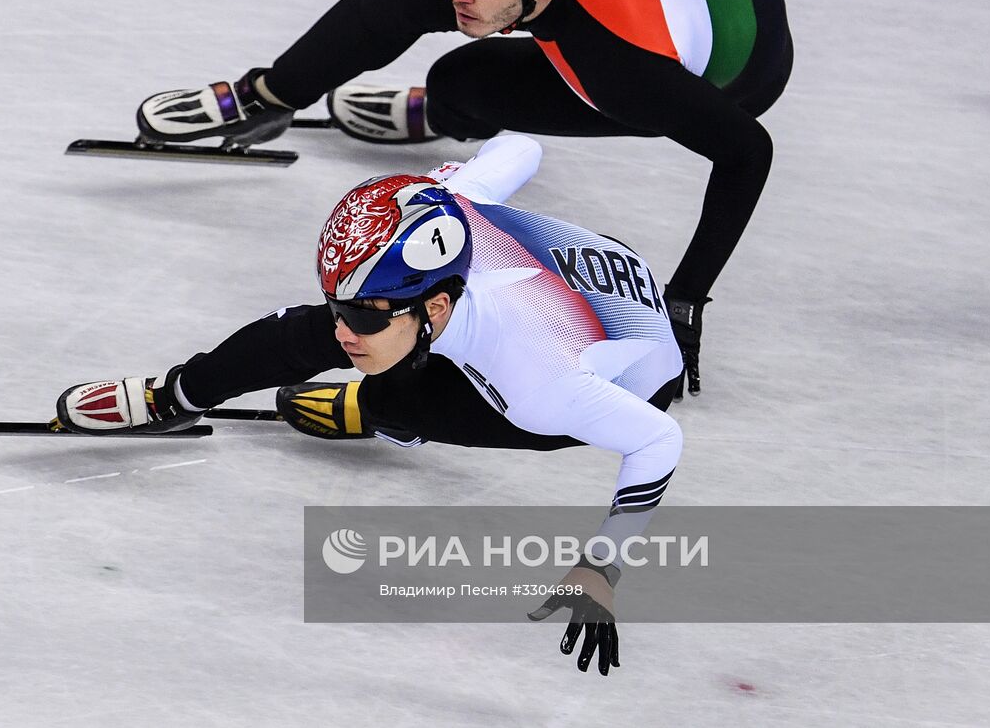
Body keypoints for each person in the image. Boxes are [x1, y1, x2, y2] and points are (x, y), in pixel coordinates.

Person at [133, 0, 793, 399]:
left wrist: (683, 301)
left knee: (465, 81)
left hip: (736, 70)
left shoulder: (620, 68)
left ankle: (448, 107)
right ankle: (268, 97)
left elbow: (748, 151)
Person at [53, 135, 684, 676]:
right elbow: (523, 144)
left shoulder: (538, 386)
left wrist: (602, 565)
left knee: (400, 394)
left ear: (435, 307)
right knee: (300, 335)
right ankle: (175, 395)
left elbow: (658, 441)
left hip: (624, 375)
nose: (343, 328)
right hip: (583, 280)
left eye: (360, 314)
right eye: (339, 304)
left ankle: (375, 409)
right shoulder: (448, 206)